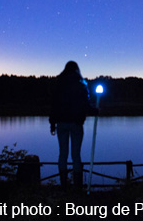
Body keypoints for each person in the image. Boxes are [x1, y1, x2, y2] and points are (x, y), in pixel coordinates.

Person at [49, 61, 97, 189]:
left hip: (61, 123)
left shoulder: (59, 83)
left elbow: (54, 104)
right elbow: (85, 104)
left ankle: (63, 184)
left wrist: (52, 123)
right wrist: (95, 110)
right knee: (76, 155)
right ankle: (77, 186)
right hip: (76, 123)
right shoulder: (81, 84)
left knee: (62, 154)